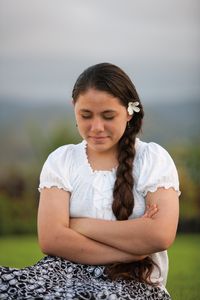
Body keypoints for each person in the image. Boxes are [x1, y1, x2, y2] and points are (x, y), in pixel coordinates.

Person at [0, 62, 180, 299]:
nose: (96, 127)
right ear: (74, 108)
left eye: (108, 116)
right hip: (62, 273)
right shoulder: (62, 160)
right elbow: (51, 239)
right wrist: (130, 251)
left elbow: (159, 235)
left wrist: (78, 224)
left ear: (128, 112)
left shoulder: (152, 159)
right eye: (86, 115)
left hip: (134, 281)